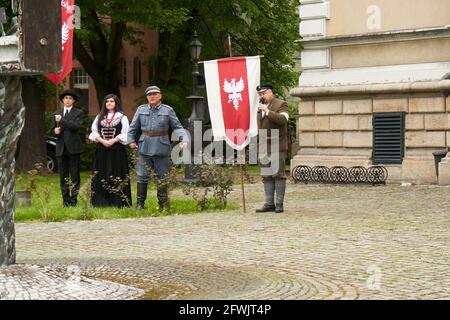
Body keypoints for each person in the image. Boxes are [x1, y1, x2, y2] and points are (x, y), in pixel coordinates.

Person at [127, 86, 188, 211]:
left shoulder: (168, 110)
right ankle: (140, 204)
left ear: (160, 96)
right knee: (142, 175)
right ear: (147, 97)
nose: (152, 96)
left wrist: (184, 139)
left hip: (161, 146)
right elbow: (133, 128)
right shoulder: (141, 109)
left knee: (162, 176)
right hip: (144, 146)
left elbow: (178, 127)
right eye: (150, 95)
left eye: (155, 94)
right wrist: (131, 140)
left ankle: (163, 204)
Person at [88, 94, 132, 207]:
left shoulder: (122, 117)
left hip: (117, 150)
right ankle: (101, 202)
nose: (109, 103)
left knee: (117, 173)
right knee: (101, 174)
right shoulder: (100, 117)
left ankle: (118, 202)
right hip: (102, 149)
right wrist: (102, 141)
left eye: (111, 101)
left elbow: (125, 133)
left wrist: (113, 141)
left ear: (116, 103)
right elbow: (94, 132)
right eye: (107, 101)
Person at [255, 84, 289, 213]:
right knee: (266, 175)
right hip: (264, 146)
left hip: (277, 144)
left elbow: (282, 120)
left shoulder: (281, 104)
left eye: (263, 93)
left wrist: (267, 111)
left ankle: (279, 204)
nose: (261, 96)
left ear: (270, 92)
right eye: (260, 94)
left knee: (278, 175)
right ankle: (269, 203)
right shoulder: (260, 108)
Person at [50, 89, 85, 207]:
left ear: (73, 101)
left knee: (75, 175)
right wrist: (55, 131)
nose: (68, 100)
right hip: (61, 148)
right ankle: (65, 201)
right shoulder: (56, 113)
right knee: (63, 176)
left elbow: (75, 126)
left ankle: (73, 200)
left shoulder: (78, 112)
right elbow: (52, 131)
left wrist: (62, 120)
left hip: (74, 148)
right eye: (65, 98)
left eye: (70, 98)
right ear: (62, 100)